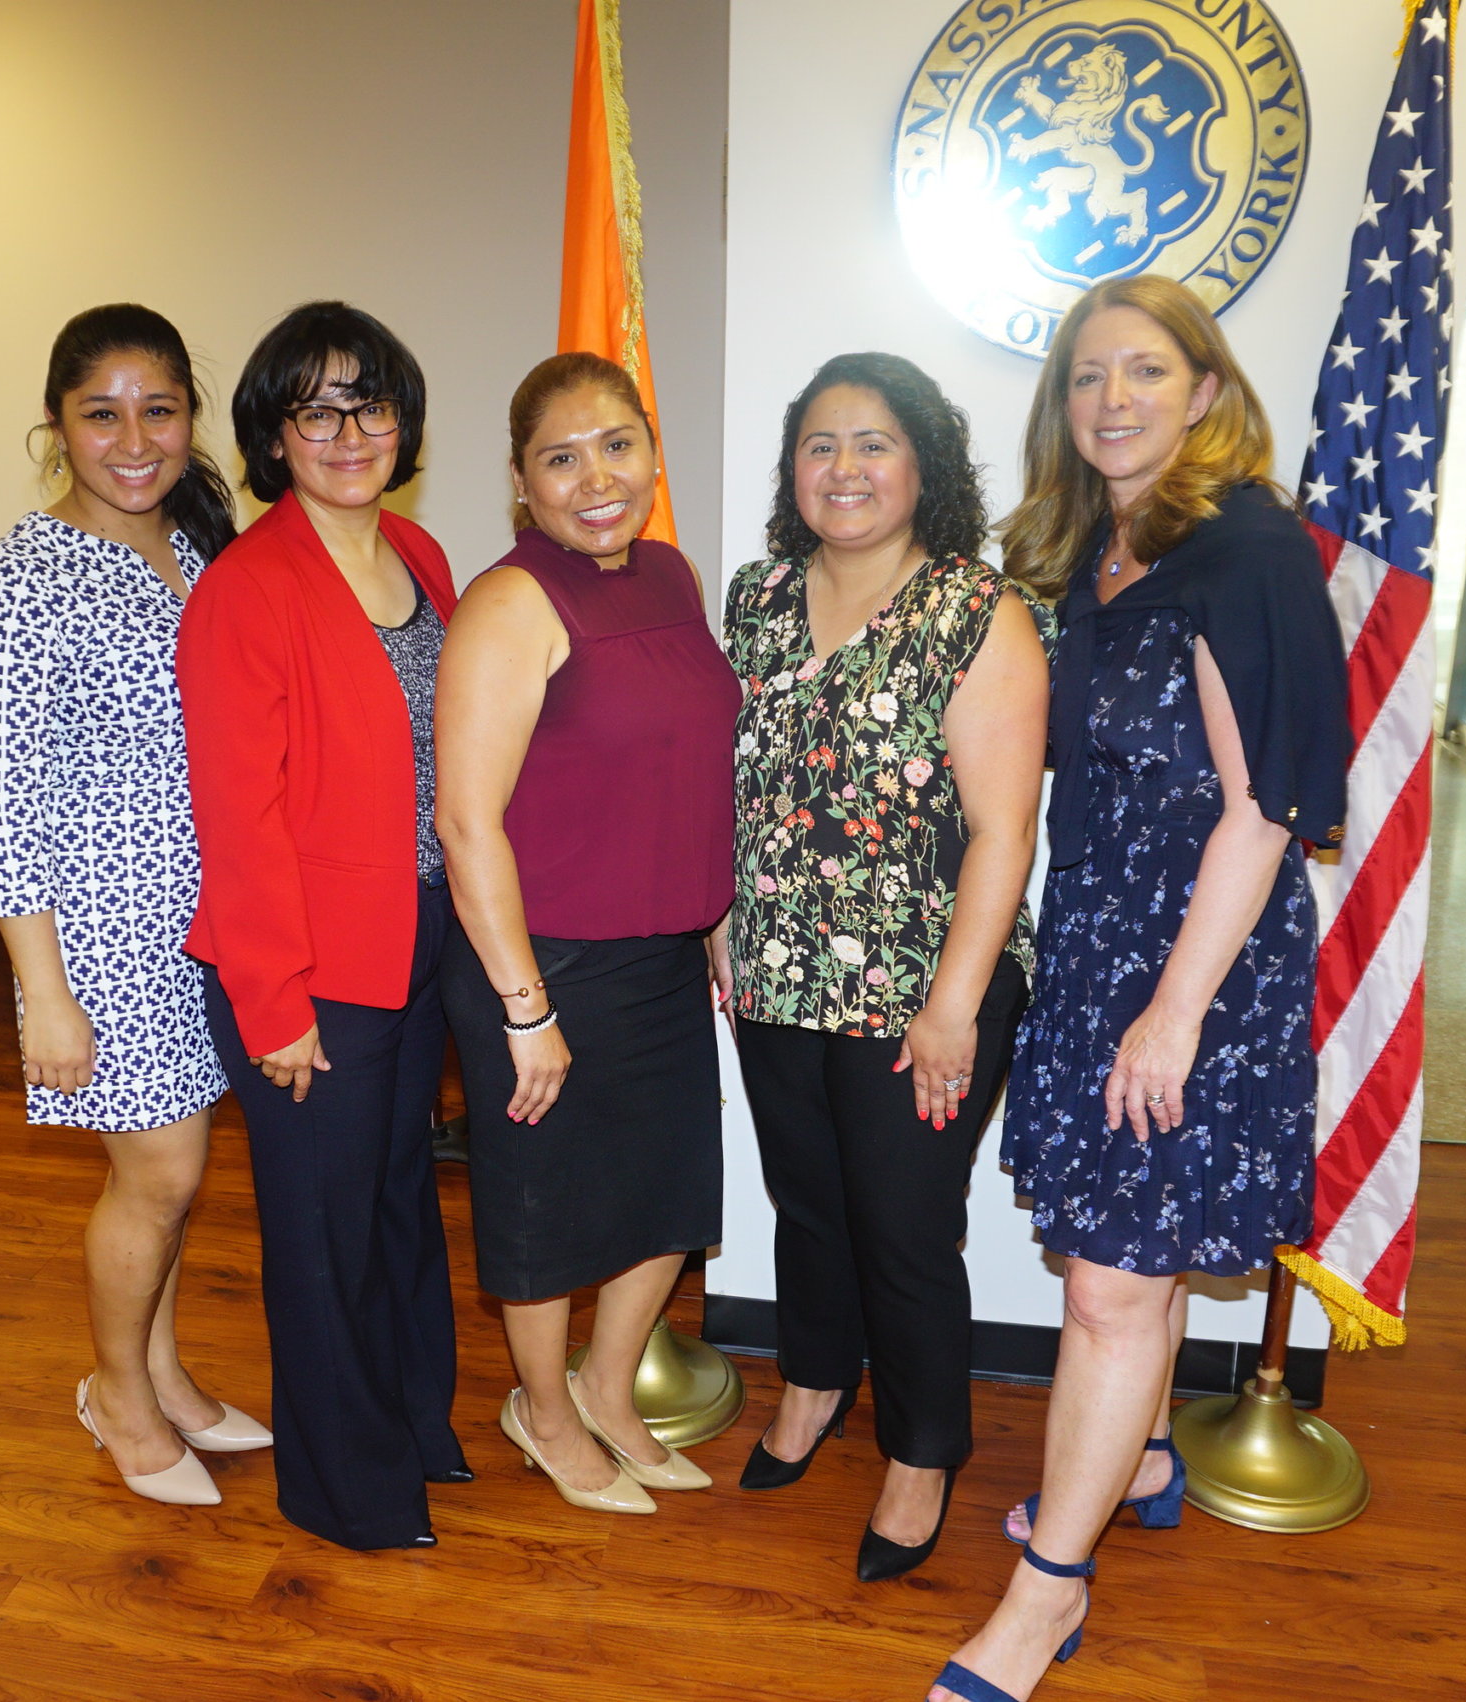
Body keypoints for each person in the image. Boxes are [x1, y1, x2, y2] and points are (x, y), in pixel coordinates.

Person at [928, 280, 1350, 1702]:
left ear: (1207, 393)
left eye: (1145, 371)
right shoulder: (1092, 548)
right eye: (1088, 374)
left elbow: (1262, 808)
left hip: (1197, 964)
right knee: (1129, 1254)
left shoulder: (1246, 551)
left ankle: (1043, 1601)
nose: (1112, 397)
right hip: (1102, 936)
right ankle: (1145, 1460)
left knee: (1110, 1284)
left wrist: (1171, 1014)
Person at [720, 353, 1050, 1580]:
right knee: (805, 1202)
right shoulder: (755, 600)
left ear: (922, 466)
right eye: (820, 445)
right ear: (792, 468)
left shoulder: (978, 611)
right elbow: (733, 778)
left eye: (872, 444)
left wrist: (955, 1002)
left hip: (927, 984)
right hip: (776, 968)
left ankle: (922, 1450)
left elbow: (1006, 832)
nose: (844, 469)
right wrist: (722, 915)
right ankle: (811, 1383)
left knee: (903, 1225)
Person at [0, 304, 271, 1509]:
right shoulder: (22, 578)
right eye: (101, 414)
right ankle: (117, 1396)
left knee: (175, 1176)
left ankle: (167, 1373)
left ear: (192, 416)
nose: (133, 439)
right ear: (57, 426)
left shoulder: (192, 547)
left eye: (159, 410)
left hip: (202, 920)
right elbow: (7, 807)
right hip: (100, 933)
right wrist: (45, 997)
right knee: (162, 1174)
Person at [176, 300, 469, 1551]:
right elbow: (235, 819)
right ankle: (342, 1486)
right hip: (303, 969)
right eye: (316, 409)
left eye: (370, 403)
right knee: (320, 1233)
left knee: (399, 1201)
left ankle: (409, 1424)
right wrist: (274, 999)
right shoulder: (248, 589)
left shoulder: (422, 553)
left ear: (401, 419)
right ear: (274, 435)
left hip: (416, 940)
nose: (347, 430)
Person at [435, 352, 738, 1516]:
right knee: (544, 1207)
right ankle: (543, 1410)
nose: (594, 477)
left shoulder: (671, 574)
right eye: (560, 459)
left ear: (652, 453)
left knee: (670, 1190)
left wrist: (710, 914)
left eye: (615, 445)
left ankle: (609, 1390)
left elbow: (683, 761)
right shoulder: (510, 602)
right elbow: (466, 822)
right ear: (522, 483)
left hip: (660, 946)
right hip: (544, 958)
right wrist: (526, 1007)